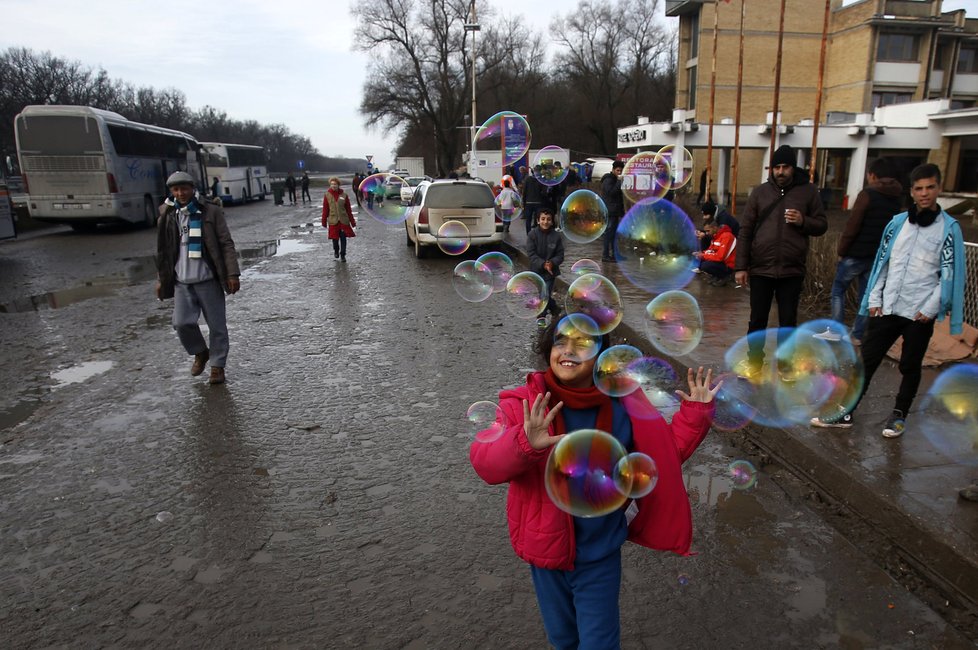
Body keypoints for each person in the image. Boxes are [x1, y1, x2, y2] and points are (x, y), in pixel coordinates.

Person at [469, 319, 718, 649]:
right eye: (560, 342)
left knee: (599, 643)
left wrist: (695, 414)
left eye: (583, 343)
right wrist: (524, 442)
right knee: (563, 640)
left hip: (599, 552)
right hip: (546, 551)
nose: (569, 350)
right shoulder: (525, 404)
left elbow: (658, 461)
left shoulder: (623, 407)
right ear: (548, 351)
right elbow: (486, 464)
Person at [811, 163, 965, 438]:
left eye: (930, 187)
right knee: (866, 362)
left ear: (938, 188)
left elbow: (948, 274)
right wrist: (874, 297)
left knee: (909, 365)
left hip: (920, 312)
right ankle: (845, 412)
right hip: (888, 308)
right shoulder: (897, 223)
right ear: (912, 192)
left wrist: (930, 308)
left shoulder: (948, 229)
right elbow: (884, 264)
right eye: (919, 188)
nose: (925, 193)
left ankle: (898, 415)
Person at [734, 144, 827, 373]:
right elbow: (745, 231)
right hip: (760, 269)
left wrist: (803, 221)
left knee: (787, 321)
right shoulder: (760, 193)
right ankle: (755, 363)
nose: (781, 171)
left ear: (793, 168)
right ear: (771, 169)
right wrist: (741, 267)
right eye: (777, 167)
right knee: (757, 321)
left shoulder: (808, 192)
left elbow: (822, 224)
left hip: (791, 270)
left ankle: (786, 366)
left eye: (785, 167)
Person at [155, 171, 240, 386]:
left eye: (184, 188)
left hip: (208, 279)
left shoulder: (210, 211)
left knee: (217, 326)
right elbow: (163, 251)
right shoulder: (166, 214)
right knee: (181, 323)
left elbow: (225, 243)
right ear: (171, 192)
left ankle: (217, 366)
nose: (181, 193)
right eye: (176, 189)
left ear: (193, 188)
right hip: (182, 281)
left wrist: (232, 273)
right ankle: (200, 352)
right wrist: (161, 279)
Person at [812, 158, 903, 345]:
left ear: (873, 175)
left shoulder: (867, 194)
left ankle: (835, 331)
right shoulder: (897, 198)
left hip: (856, 253)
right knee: (866, 295)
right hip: (878, 256)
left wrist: (842, 249)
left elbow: (853, 225)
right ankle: (858, 335)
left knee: (838, 290)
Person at [526, 208, 564, 328]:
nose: (545, 222)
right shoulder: (532, 235)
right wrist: (543, 264)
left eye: (548, 219)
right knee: (544, 294)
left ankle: (541, 316)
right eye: (543, 219)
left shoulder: (556, 237)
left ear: (552, 222)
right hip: (537, 271)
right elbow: (531, 254)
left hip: (550, 273)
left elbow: (560, 255)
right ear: (538, 220)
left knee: (545, 293)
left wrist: (552, 263)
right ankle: (555, 309)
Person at [322, 176, 356, 262]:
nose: (333, 186)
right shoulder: (327, 195)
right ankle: (336, 251)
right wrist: (323, 221)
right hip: (333, 221)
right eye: (332, 184)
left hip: (343, 221)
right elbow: (325, 209)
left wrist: (352, 222)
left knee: (343, 239)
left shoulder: (344, 195)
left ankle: (343, 255)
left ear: (338, 185)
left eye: (335, 184)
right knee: (335, 240)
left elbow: (349, 210)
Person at [694, 219, 736, 286]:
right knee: (701, 262)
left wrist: (703, 255)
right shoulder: (716, 236)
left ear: (715, 228)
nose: (707, 233)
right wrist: (701, 254)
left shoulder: (727, 236)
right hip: (722, 263)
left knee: (705, 265)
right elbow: (711, 250)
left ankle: (725, 276)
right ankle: (718, 276)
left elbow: (720, 257)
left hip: (729, 265)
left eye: (708, 231)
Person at [601, 160, 625, 262]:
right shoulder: (608, 179)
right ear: (613, 170)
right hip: (610, 211)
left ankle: (614, 255)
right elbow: (611, 193)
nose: (619, 173)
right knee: (608, 234)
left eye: (621, 171)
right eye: (618, 170)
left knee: (614, 234)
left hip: (615, 211)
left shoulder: (615, 179)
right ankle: (605, 255)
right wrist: (619, 182)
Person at [520, 166, 546, 235]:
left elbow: (524, 191)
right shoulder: (541, 180)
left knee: (528, 219)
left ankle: (528, 233)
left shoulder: (527, 179)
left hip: (529, 202)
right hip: (538, 202)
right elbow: (544, 192)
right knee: (538, 219)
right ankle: (538, 233)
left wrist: (523, 201)